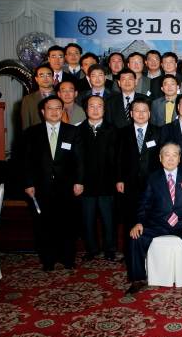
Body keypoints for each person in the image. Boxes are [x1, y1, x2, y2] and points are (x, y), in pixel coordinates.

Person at [124, 142, 182, 296]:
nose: (171, 159)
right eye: (167, 155)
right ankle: (138, 280)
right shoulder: (152, 178)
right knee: (136, 237)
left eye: (175, 155)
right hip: (158, 223)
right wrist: (139, 222)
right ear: (160, 158)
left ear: (179, 158)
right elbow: (144, 203)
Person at [22, 95, 84, 271]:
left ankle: (67, 258)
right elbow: (26, 161)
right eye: (50, 108)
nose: (54, 111)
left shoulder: (72, 132)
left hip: (67, 186)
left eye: (58, 108)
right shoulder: (32, 133)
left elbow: (79, 160)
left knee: (66, 223)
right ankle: (48, 260)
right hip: (41, 187)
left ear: (63, 110)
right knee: (44, 225)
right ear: (43, 112)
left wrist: (79, 182)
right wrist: (29, 183)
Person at [116, 99, 162, 269]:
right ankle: (131, 256)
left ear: (149, 113)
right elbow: (118, 158)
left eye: (144, 111)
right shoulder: (122, 133)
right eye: (137, 110)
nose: (141, 114)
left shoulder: (158, 132)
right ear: (131, 113)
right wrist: (119, 179)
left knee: (152, 220)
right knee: (130, 220)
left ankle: (151, 256)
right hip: (129, 184)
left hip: (153, 185)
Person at [78, 95, 118, 262]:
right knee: (88, 220)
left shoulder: (113, 130)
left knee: (109, 220)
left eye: (99, 106)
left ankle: (110, 249)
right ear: (86, 109)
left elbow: (117, 159)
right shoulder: (78, 131)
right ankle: (92, 249)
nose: (95, 109)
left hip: (107, 184)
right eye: (91, 106)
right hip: (85, 185)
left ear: (104, 109)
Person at [21, 64, 55, 131]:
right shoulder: (28, 99)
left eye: (48, 75)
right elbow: (26, 124)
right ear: (36, 79)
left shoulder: (61, 96)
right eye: (41, 76)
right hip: (36, 135)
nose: (45, 78)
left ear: (53, 77)